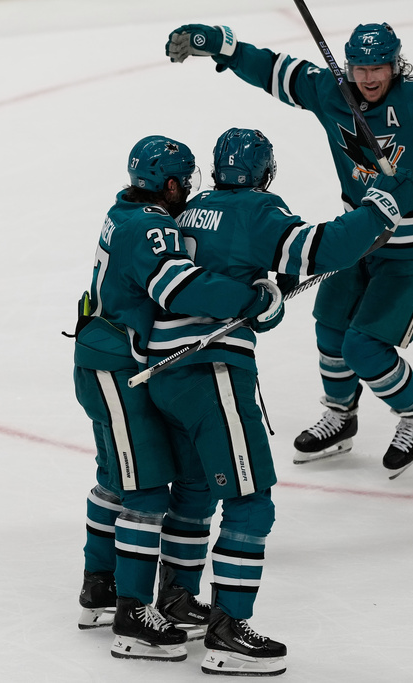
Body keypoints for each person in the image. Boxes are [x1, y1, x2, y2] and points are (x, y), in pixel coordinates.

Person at [165, 21, 413, 476]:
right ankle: (341, 415)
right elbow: (275, 70)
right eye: (360, 67)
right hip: (360, 239)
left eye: (379, 67)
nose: (369, 78)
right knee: (330, 327)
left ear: (396, 65)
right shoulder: (333, 92)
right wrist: (222, 45)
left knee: (365, 346)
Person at [145, 127, 413, 676]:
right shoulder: (257, 210)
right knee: (251, 499)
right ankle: (226, 631)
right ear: (265, 174)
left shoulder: (192, 208)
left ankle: (174, 600)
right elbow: (317, 250)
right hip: (213, 369)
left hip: (167, 370)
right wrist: (378, 210)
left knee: (196, 490)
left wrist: (259, 297)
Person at [69, 134, 283, 662]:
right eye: (184, 184)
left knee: (119, 479)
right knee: (142, 488)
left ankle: (102, 588)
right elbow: (179, 287)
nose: (188, 192)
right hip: (115, 365)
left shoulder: (124, 210)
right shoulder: (150, 226)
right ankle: (133, 614)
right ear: (167, 184)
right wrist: (250, 299)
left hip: (107, 355)